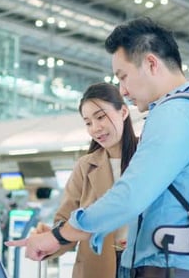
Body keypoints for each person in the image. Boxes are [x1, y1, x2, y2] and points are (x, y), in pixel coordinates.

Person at [6, 17, 189, 278]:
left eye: (123, 76)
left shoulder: (174, 114)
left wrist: (59, 235)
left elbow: (130, 197)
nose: (123, 89)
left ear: (151, 63)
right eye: (88, 122)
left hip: (169, 266)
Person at [35, 82, 139, 278]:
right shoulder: (85, 166)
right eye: (88, 122)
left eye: (100, 117)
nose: (95, 128)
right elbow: (65, 221)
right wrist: (50, 236)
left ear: (123, 112)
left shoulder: (148, 155)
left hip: (143, 264)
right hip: (96, 266)